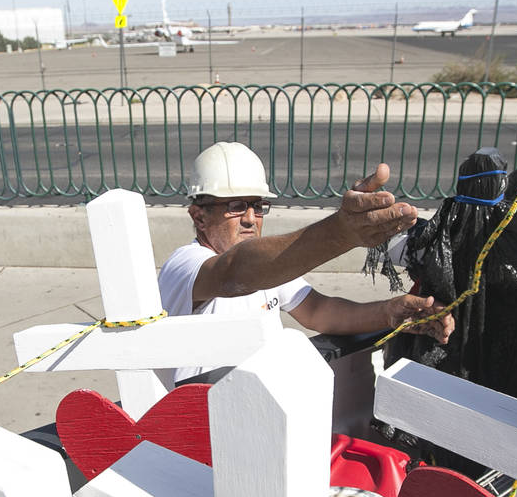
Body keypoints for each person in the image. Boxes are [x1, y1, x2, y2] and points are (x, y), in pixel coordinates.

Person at [158, 141, 454, 383]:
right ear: (199, 216)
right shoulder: (186, 264)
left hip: (256, 404)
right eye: (235, 206)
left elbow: (320, 312)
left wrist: (390, 312)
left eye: (258, 206)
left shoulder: (268, 271)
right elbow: (236, 271)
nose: (250, 218)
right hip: (197, 423)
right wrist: (340, 232)